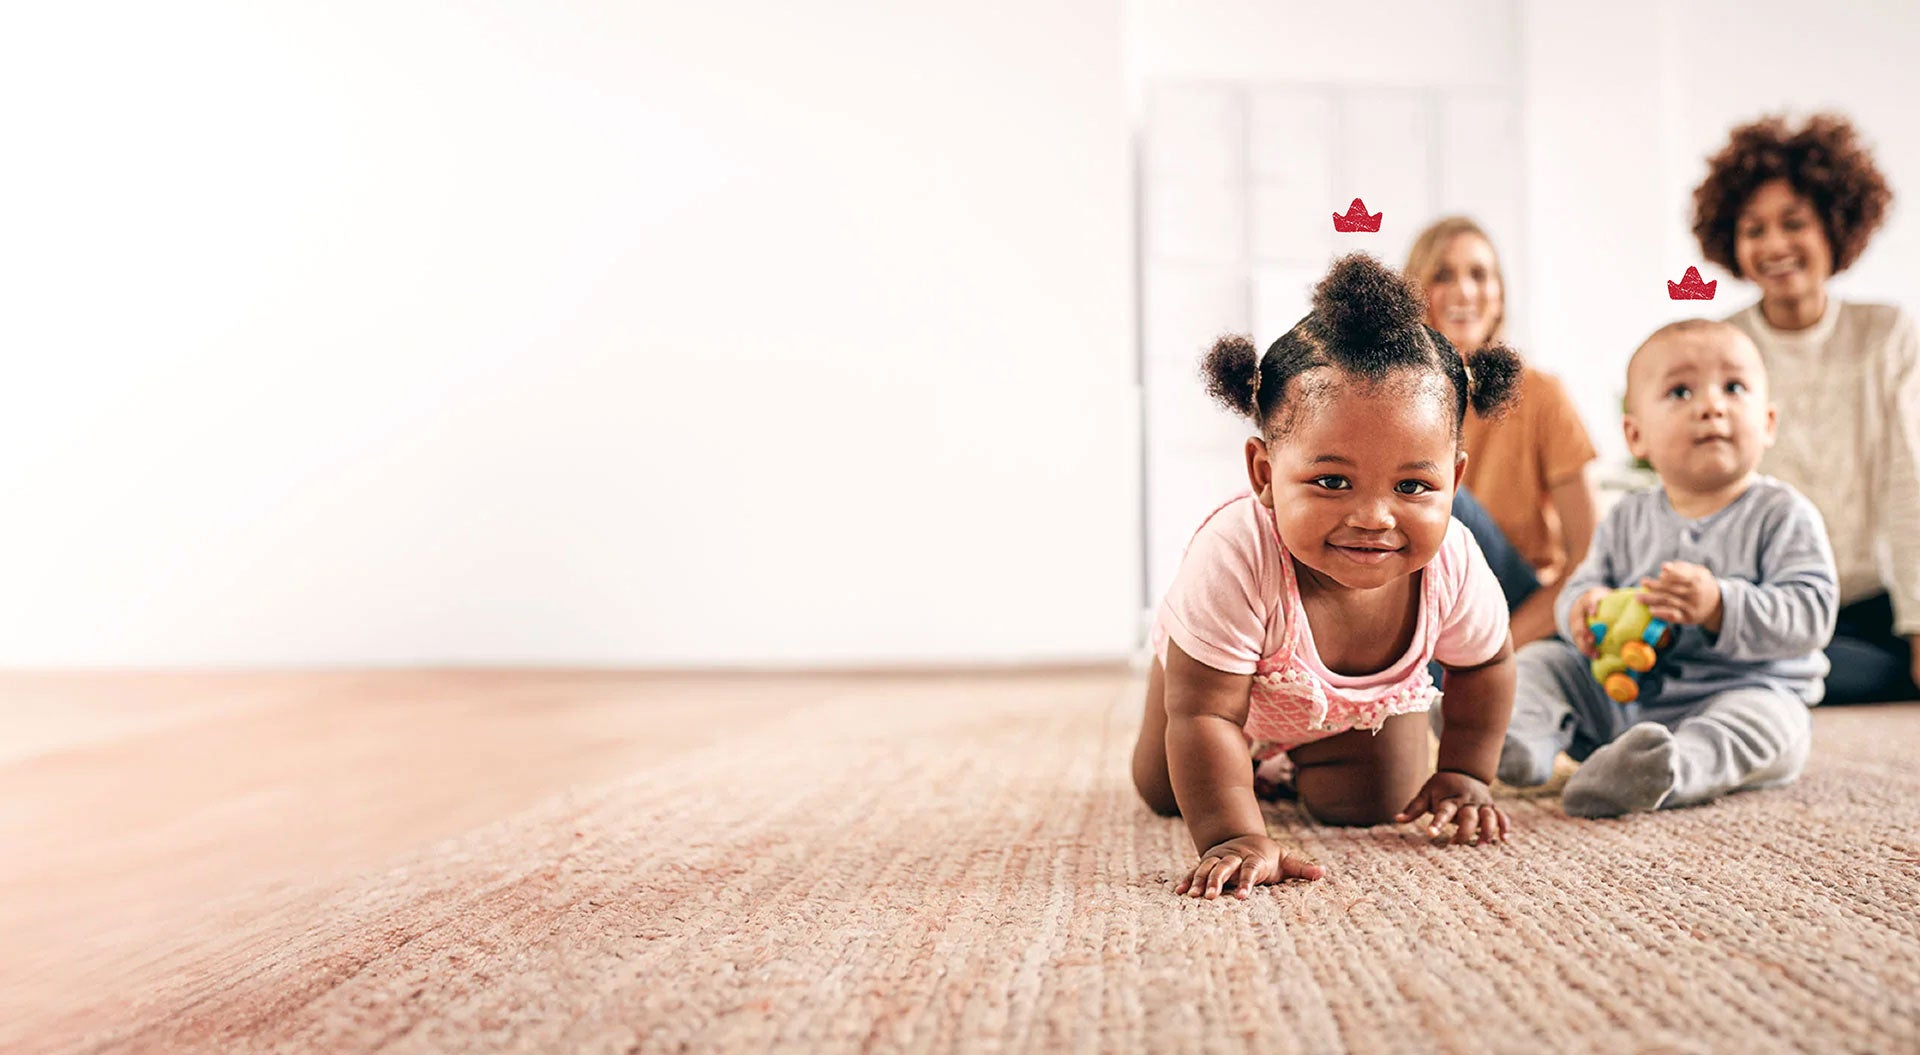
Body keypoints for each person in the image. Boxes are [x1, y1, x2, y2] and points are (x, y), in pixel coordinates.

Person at [1130, 253, 1522, 901]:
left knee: (1373, 802)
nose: (1373, 516)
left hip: (1349, 712)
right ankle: (1239, 762)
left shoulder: (1453, 558)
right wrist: (1233, 833)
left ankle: (1299, 760)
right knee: (1170, 789)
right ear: (1263, 474)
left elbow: (1487, 663)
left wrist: (1464, 770)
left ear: (1454, 479)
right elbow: (1203, 713)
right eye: (1332, 481)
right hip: (1215, 688)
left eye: (1413, 485)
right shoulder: (1236, 553)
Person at [1497, 320, 1837, 818]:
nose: (1711, 405)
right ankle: (1520, 741)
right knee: (1543, 664)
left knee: (1773, 724)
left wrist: (1721, 604)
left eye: (1734, 387)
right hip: (1623, 697)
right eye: (1681, 391)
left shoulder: (1784, 514)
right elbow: (1585, 582)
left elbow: (1812, 613)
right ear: (1636, 436)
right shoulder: (1627, 517)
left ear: (1767, 422)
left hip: (1739, 691)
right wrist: (1582, 613)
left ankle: (1667, 768)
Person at [1691, 112, 1920, 703]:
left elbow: (1910, 482)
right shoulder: (1719, 346)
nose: (1774, 246)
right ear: (1731, 242)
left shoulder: (1887, 333)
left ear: (1835, 228)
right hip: (1769, 604)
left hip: (1877, 609)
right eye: (1753, 229)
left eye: (1794, 223)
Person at [1406, 217, 1599, 648]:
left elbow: (1589, 557)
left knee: (1441, 497)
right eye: (1442, 275)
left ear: (1499, 296)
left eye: (1480, 274)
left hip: (1518, 604)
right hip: (1428, 608)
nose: (1465, 291)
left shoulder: (1541, 395)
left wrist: (1499, 647)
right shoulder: (1393, 403)